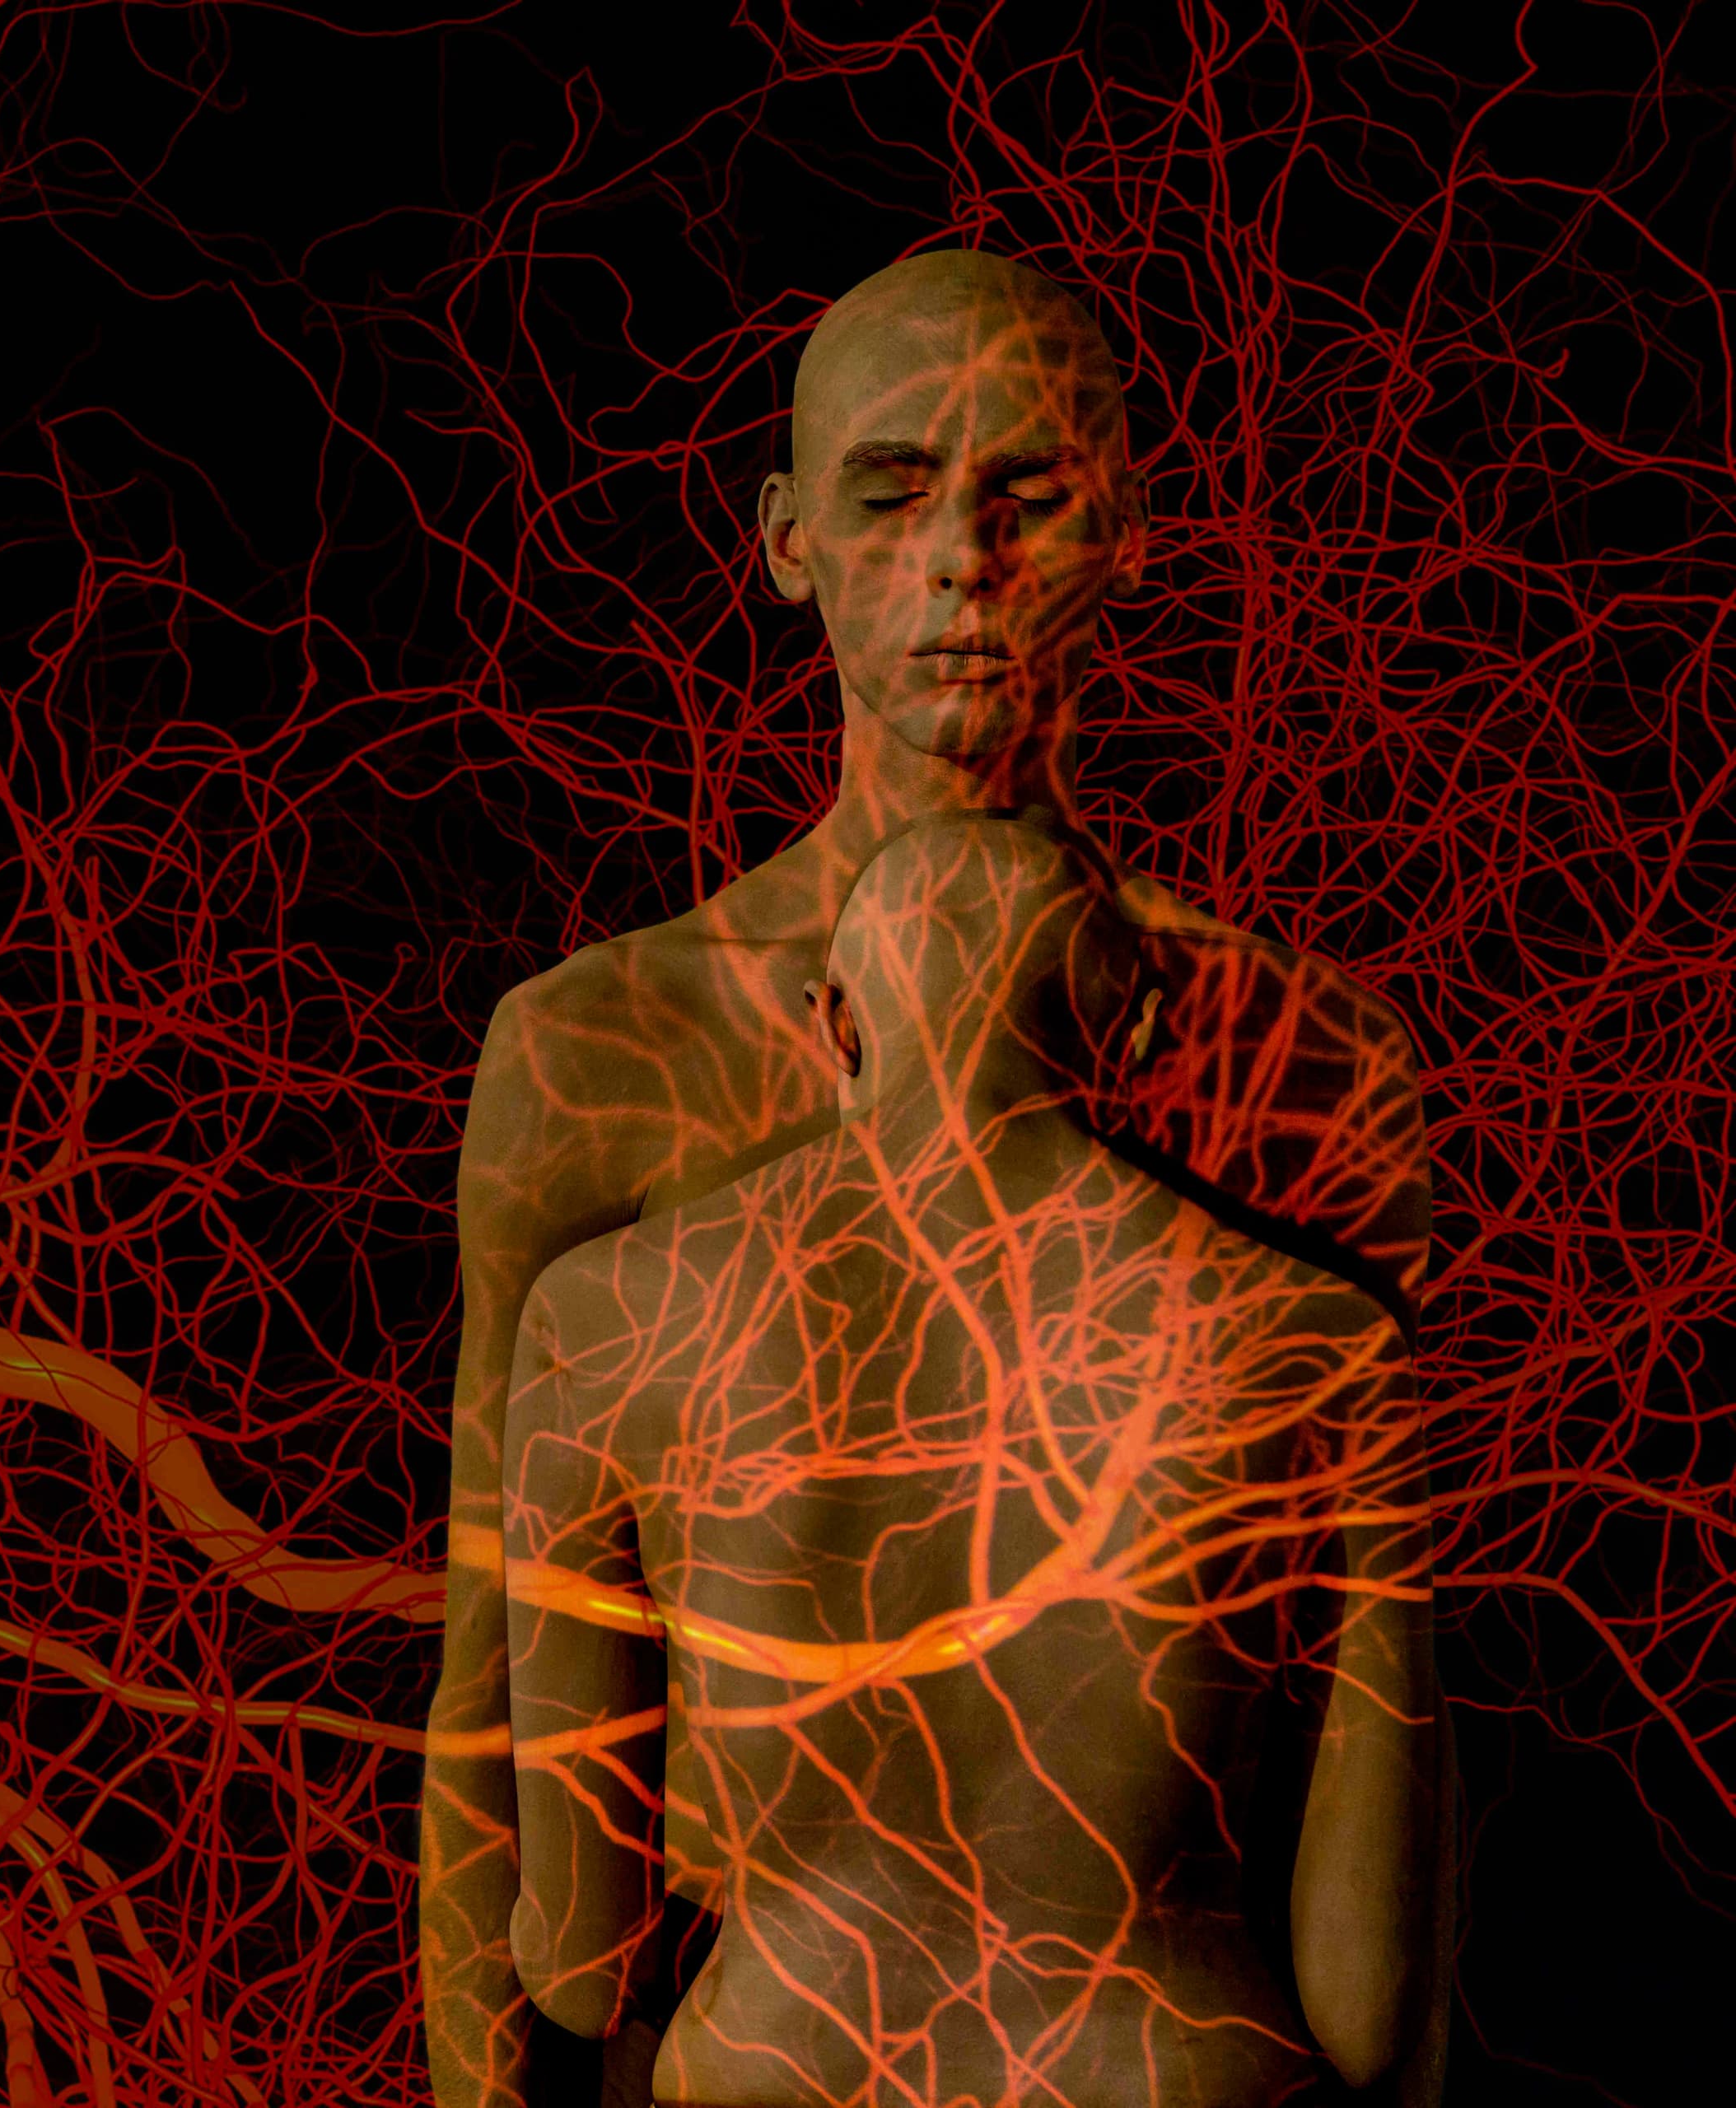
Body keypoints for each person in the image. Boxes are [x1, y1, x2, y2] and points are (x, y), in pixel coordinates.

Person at [418, 251, 1438, 2108]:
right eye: (894, 494)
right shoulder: (603, 1046)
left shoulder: (1308, 1053)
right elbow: (488, 1699)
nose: (964, 559)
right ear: (786, 540)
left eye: (1024, 493)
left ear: (1126, 529)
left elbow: (1397, 1733)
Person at [497, 814, 1436, 2106]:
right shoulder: (1321, 1345)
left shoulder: (604, 1321)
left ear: (836, 1027)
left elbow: (578, 1966)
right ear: (1134, 1031)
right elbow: (1366, 2004)